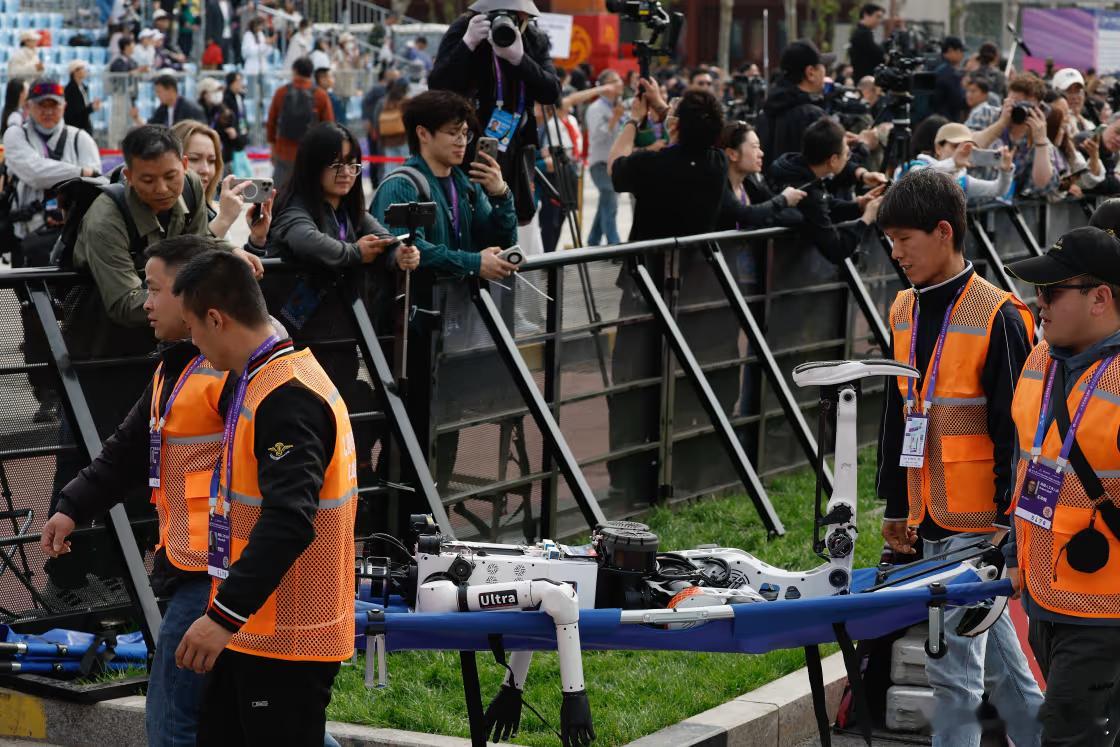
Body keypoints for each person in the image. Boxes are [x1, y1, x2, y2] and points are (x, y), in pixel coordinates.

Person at [41, 235, 233, 747]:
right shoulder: (176, 364)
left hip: (217, 575)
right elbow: (128, 448)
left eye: (154, 289)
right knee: (254, 719)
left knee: (173, 722)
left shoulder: (233, 369)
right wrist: (71, 507)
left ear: (194, 296)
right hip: (198, 567)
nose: (145, 302)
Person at [875, 168, 1043, 747]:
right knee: (1002, 672)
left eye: (904, 239)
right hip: (929, 517)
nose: (896, 253)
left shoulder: (999, 315)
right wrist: (895, 505)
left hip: (981, 527)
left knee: (952, 671)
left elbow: (1018, 432)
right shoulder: (903, 309)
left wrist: (1008, 526)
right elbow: (898, 412)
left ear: (944, 232)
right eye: (890, 241)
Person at [171, 250, 356, 746]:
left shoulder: (286, 396)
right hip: (257, 626)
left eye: (192, 327)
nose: (193, 341)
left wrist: (222, 616)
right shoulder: (270, 377)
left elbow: (289, 521)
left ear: (216, 319)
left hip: (284, 634)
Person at [1003, 228, 1120, 747]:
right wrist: (1013, 554)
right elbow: (1026, 467)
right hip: (1045, 596)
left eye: (1052, 292)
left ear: (1100, 298)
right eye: (1038, 291)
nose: (1039, 303)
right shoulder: (1040, 361)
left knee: (1068, 736)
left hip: (1105, 609)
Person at [428, 0, 562, 222]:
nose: (505, 21)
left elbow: (552, 93)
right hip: (466, 144)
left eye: (514, 16)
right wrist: (467, 45)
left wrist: (520, 60)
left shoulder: (532, 39)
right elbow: (437, 86)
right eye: (498, 14)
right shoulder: (465, 30)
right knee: (467, 217)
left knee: (510, 218)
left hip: (514, 148)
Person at [370, 90, 518, 280]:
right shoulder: (401, 186)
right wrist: (474, 263)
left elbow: (502, 244)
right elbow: (409, 248)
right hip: (418, 298)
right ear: (423, 134)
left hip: (464, 297)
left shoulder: (467, 185)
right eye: (452, 133)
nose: (461, 141)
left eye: (464, 133)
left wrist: (501, 195)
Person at [4, 78, 101, 265]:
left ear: (64, 106)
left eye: (54, 105)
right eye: (41, 105)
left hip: (71, 239)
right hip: (25, 237)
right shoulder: (15, 135)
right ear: (28, 106)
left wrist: (84, 178)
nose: (48, 111)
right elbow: (35, 173)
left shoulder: (81, 139)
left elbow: (95, 185)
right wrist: (82, 173)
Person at [769, 117, 884, 264]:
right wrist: (866, 219)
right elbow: (836, 249)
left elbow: (826, 206)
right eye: (847, 154)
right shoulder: (806, 192)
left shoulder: (791, 166)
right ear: (833, 160)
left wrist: (859, 206)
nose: (847, 159)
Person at [171, 119, 272, 245]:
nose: (206, 170)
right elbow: (189, 256)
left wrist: (257, 239)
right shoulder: (163, 216)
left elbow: (226, 257)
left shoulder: (213, 211)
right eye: (194, 159)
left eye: (212, 161)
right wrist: (224, 220)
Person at [972, 73, 1060, 196]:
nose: (1019, 110)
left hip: (1005, 205)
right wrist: (1001, 124)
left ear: (1039, 107)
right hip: (971, 199)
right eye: (1015, 104)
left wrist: (1041, 142)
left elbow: (1042, 183)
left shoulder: (1038, 139)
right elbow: (968, 147)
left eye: (1026, 106)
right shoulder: (985, 115)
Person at [755, 39, 834, 171]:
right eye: (823, 66)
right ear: (810, 72)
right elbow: (831, 165)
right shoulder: (812, 116)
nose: (825, 72)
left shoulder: (767, 111)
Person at [718, 121, 805, 232]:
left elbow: (794, 215)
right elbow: (744, 216)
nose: (761, 153)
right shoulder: (718, 186)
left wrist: (761, 218)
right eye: (755, 147)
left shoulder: (752, 182)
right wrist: (783, 200)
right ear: (732, 154)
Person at [266, 56, 335, 190]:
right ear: (311, 73)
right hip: (311, 153)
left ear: (295, 71)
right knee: (309, 193)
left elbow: (271, 123)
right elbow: (329, 127)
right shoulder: (320, 95)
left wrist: (273, 149)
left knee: (279, 193)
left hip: (284, 151)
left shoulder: (281, 92)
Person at [584, 69, 624, 247]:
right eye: (614, 81)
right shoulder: (596, 108)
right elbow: (597, 136)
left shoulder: (618, 106)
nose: (620, 84)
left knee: (606, 202)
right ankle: (614, 243)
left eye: (619, 80)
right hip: (600, 163)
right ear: (604, 86)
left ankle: (593, 240)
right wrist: (614, 119)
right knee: (609, 198)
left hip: (615, 163)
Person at [372, 78, 410, 174]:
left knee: (389, 167)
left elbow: (377, 121)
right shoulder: (406, 101)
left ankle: (389, 183)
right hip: (403, 138)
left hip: (388, 139)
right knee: (406, 166)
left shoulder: (384, 102)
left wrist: (380, 137)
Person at [222, 72, 251, 177]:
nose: (240, 84)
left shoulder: (240, 97)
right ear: (231, 83)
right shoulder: (226, 99)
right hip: (230, 144)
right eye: (238, 81)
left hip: (241, 138)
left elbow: (242, 118)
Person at [932, 36, 967, 122]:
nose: (962, 55)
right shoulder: (947, 72)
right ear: (950, 50)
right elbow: (958, 99)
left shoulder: (936, 65)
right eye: (960, 51)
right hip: (945, 119)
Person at [849, 3, 886, 81]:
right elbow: (877, 54)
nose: (879, 21)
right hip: (865, 80)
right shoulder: (862, 34)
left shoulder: (863, 32)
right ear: (866, 15)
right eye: (877, 16)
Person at [64, 60, 100, 135]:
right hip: (76, 128)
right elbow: (76, 112)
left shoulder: (83, 87)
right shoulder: (71, 89)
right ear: (75, 72)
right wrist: (91, 108)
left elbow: (83, 107)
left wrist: (92, 106)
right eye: (82, 68)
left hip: (84, 126)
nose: (85, 71)